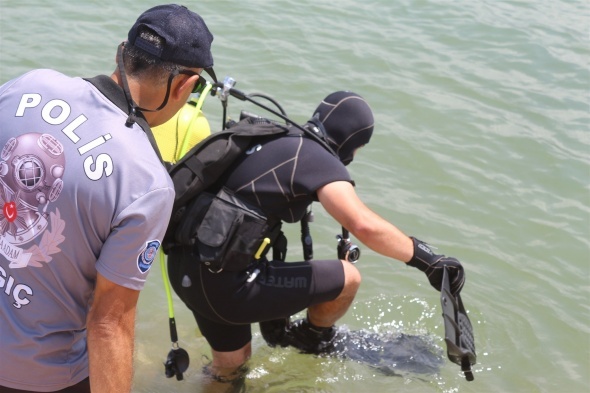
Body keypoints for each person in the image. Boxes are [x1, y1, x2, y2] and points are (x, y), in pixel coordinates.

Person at [166, 90, 467, 386]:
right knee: (348, 278)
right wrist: (427, 260)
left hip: (187, 270)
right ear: (352, 141)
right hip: (223, 287)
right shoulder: (315, 157)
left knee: (230, 366)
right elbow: (364, 225)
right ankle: (312, 338)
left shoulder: (275, 137)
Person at [0, 4, 215, 392]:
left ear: (122, 52)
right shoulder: (146, 183)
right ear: (184, 85)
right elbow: (108, 324)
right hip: (42, 376)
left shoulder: (28, 85)